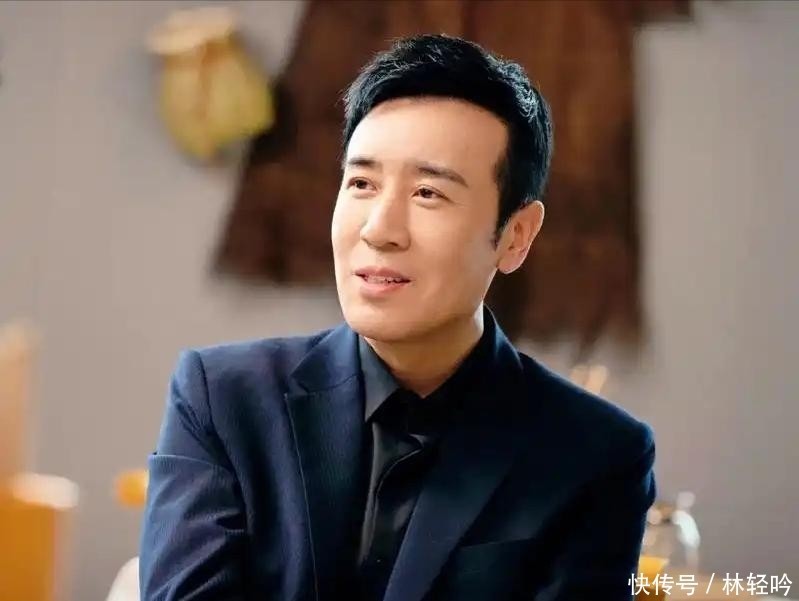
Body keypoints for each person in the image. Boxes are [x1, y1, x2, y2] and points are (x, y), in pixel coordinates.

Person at [139, 34, 656, 601]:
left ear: (515, 235)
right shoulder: (222, 400)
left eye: (428, 193)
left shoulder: (596, 455)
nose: (379, 229)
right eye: (361, 184)